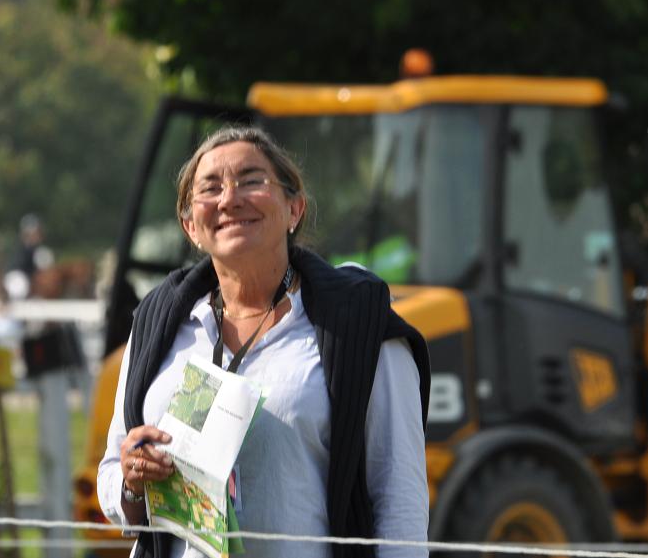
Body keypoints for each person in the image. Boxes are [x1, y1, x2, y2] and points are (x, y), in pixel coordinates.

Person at [97, 126, 431, 558]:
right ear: (190, 226)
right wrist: (131, 481)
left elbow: (400, 497)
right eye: (210, 188)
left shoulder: (360, 328)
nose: (230, 199)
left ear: (294, 208)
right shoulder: (158, 325)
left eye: (252, 180)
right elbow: (112, 478)